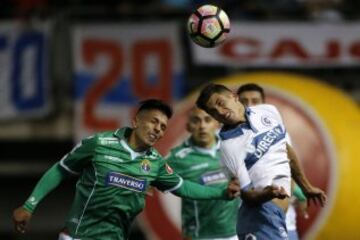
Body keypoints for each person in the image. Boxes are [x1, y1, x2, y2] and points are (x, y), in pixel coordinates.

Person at [13, 99, 241, 240]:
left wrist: (221, 193)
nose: (158, 130)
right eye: (153, 122)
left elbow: (184, 188)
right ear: (136, 121)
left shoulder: (156, 163)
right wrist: (29, 204)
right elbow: (60, 170)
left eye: (162, 127)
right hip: (78, 236)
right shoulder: (99, 144)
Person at [196, 84, 326, 240]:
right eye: (213, 112)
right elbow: (247, 195)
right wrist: (268, 193)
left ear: (233, 96)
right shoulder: (228, 146)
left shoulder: (269, 111)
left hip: (279, 218)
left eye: (221, 104)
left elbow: (285, 149)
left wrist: (306, 187)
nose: (221, 112)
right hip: (260, 219)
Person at [237, 83, 309, 240]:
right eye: (244, 101)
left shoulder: (277, 131)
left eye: (255, 101)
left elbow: (287, 167)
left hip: (284, 221)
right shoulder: (230, 137)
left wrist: (300, 194)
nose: (250, 106)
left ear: (264, 104)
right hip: (252, 221)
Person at [167, 107, 240, 240]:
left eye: (207, 120)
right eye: (196, 121)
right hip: (200, 235)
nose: (202, 126)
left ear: (217, 123)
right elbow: (150, 183)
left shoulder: (233, 147)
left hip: (237, 233)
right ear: (188, 126)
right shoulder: (177, 158)